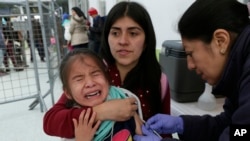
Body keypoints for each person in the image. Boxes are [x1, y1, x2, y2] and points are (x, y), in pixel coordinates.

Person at [43, 1, 171, 138]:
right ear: (107, 37)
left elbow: (165, 130)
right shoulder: (93, 73)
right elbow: (50, 122)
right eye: (115, 33)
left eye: (133, 33)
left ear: (146, 40)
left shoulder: (158, 80)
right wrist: (101, 112)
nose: (123, 41)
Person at [133, 0, 250, 141]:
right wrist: (184, 125)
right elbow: (232, 129)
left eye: (190, 53)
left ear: (221, 41)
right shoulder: (239, 72)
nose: (190, 66)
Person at [58, 49, 143, 141]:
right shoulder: (73, 125)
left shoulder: (125, 99)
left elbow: (142, 133)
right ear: (67, 93)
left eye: (95, 74)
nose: (90, 83)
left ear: (107, 79)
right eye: (79, 79)